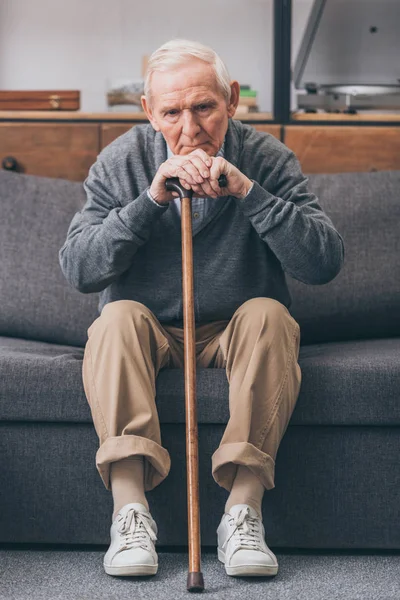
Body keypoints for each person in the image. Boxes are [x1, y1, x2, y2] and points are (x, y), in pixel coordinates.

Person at [59, 38, 344, 579]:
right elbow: (79, 269)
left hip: (236, 331)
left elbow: (323, 263)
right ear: (149, 112)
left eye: (204, 107)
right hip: (150, 333)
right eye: (171, 112)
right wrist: (148, 204)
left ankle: (243, 512)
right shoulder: (121, 160)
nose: (189, 129)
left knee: (270, 313)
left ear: (231, 99)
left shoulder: (266, 158)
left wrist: (249, 193)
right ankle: (130, 513)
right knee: (114, 319)